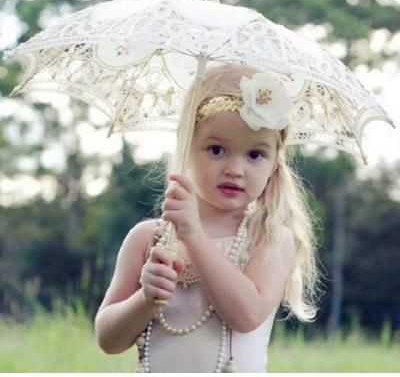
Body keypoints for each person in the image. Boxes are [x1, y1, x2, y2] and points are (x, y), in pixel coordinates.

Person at [94, 63, 319, 373]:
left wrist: (194, 234)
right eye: (216, 149)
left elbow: (247, 315)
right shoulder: (149, 238)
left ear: (274, 166)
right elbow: (108, 339)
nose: (235, 169)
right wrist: (145, 300)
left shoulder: (270, 237)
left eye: (255, 154)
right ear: (187, 148)